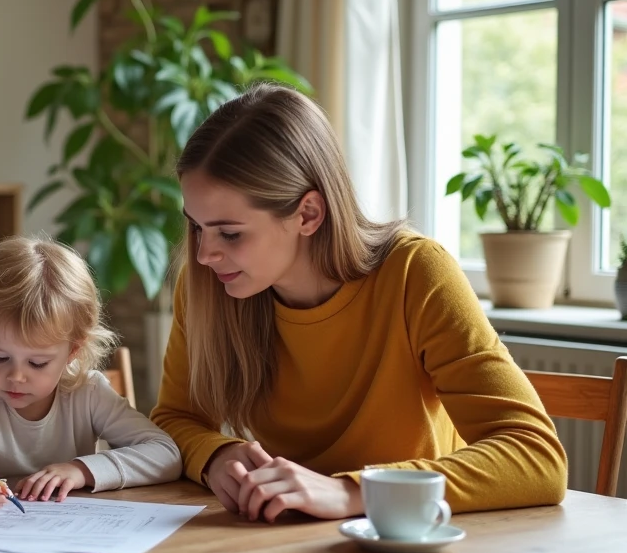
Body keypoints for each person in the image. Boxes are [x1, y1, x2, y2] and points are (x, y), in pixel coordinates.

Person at [153, 83, 567, 523]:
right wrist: (218, 455)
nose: (204, 254)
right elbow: (174, 418)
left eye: (230, 233)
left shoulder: (415, 273)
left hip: (407, 548)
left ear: (308, 214)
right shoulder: (209, 285)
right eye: (196, 227)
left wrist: (350, 492)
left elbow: (537, 458)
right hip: (283, 542)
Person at [0, 236, 181, 507]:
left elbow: (165, 454)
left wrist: (81, 470)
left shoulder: (89, 391)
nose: (16, 376)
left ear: (73, 350)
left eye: (37, 363)